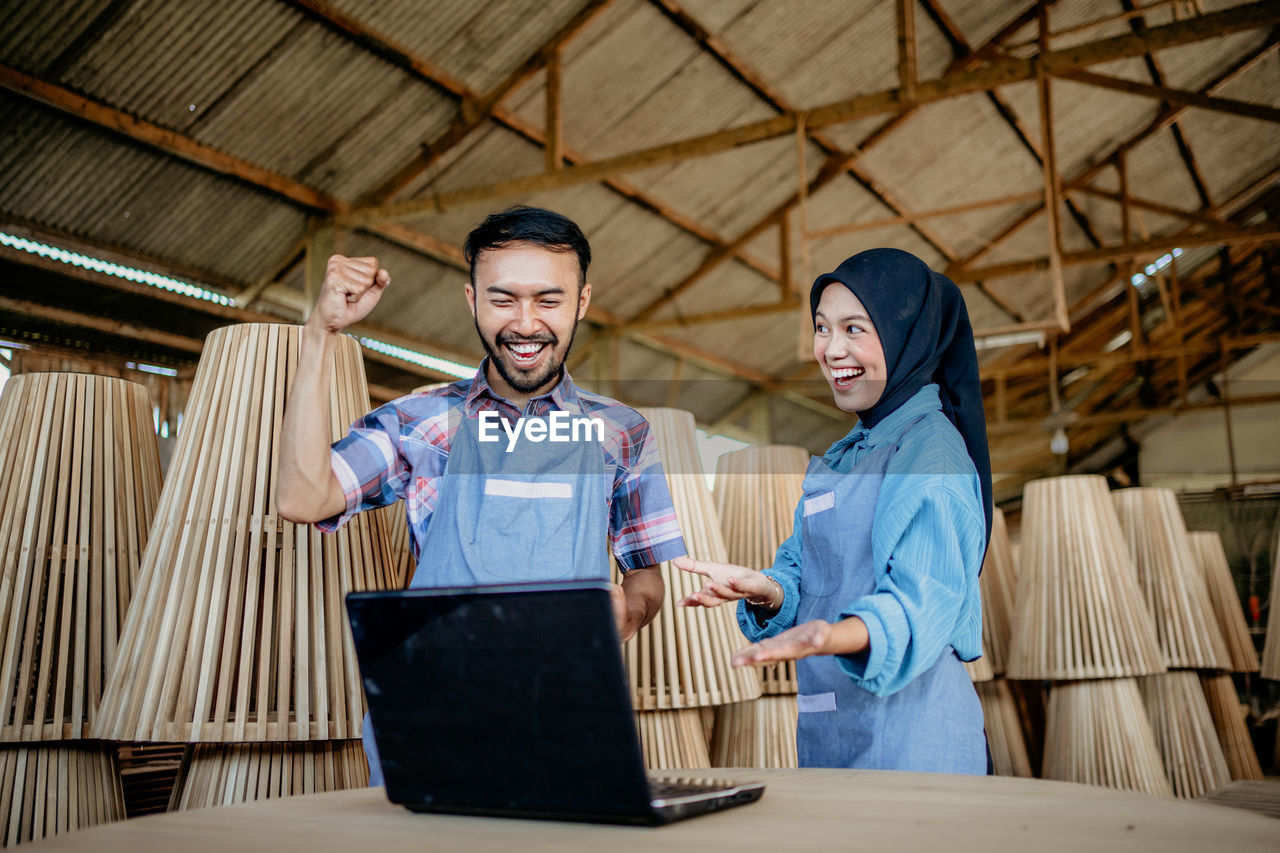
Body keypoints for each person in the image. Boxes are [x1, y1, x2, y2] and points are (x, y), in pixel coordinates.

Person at [277, 205, 687, 782]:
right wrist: (320, 334)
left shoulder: (622, 432)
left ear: (582, 302)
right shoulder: (421, 422)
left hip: (568, 718)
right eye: (503, 300)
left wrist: (630, 610)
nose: (525, 323)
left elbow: (646, 572)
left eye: (548, 300)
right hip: (434, 721)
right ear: (472, 300)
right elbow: (301, 499)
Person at [675, 248, 992, 773]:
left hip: (913, 742)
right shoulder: (852, 450)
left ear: (904, 335)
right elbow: (809, 569)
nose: (831, 348)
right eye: (822, 328)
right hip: (830, 732)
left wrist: (827, 635)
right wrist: (770, 590)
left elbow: (923, 600)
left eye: (855, 329)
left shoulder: (931, 452)